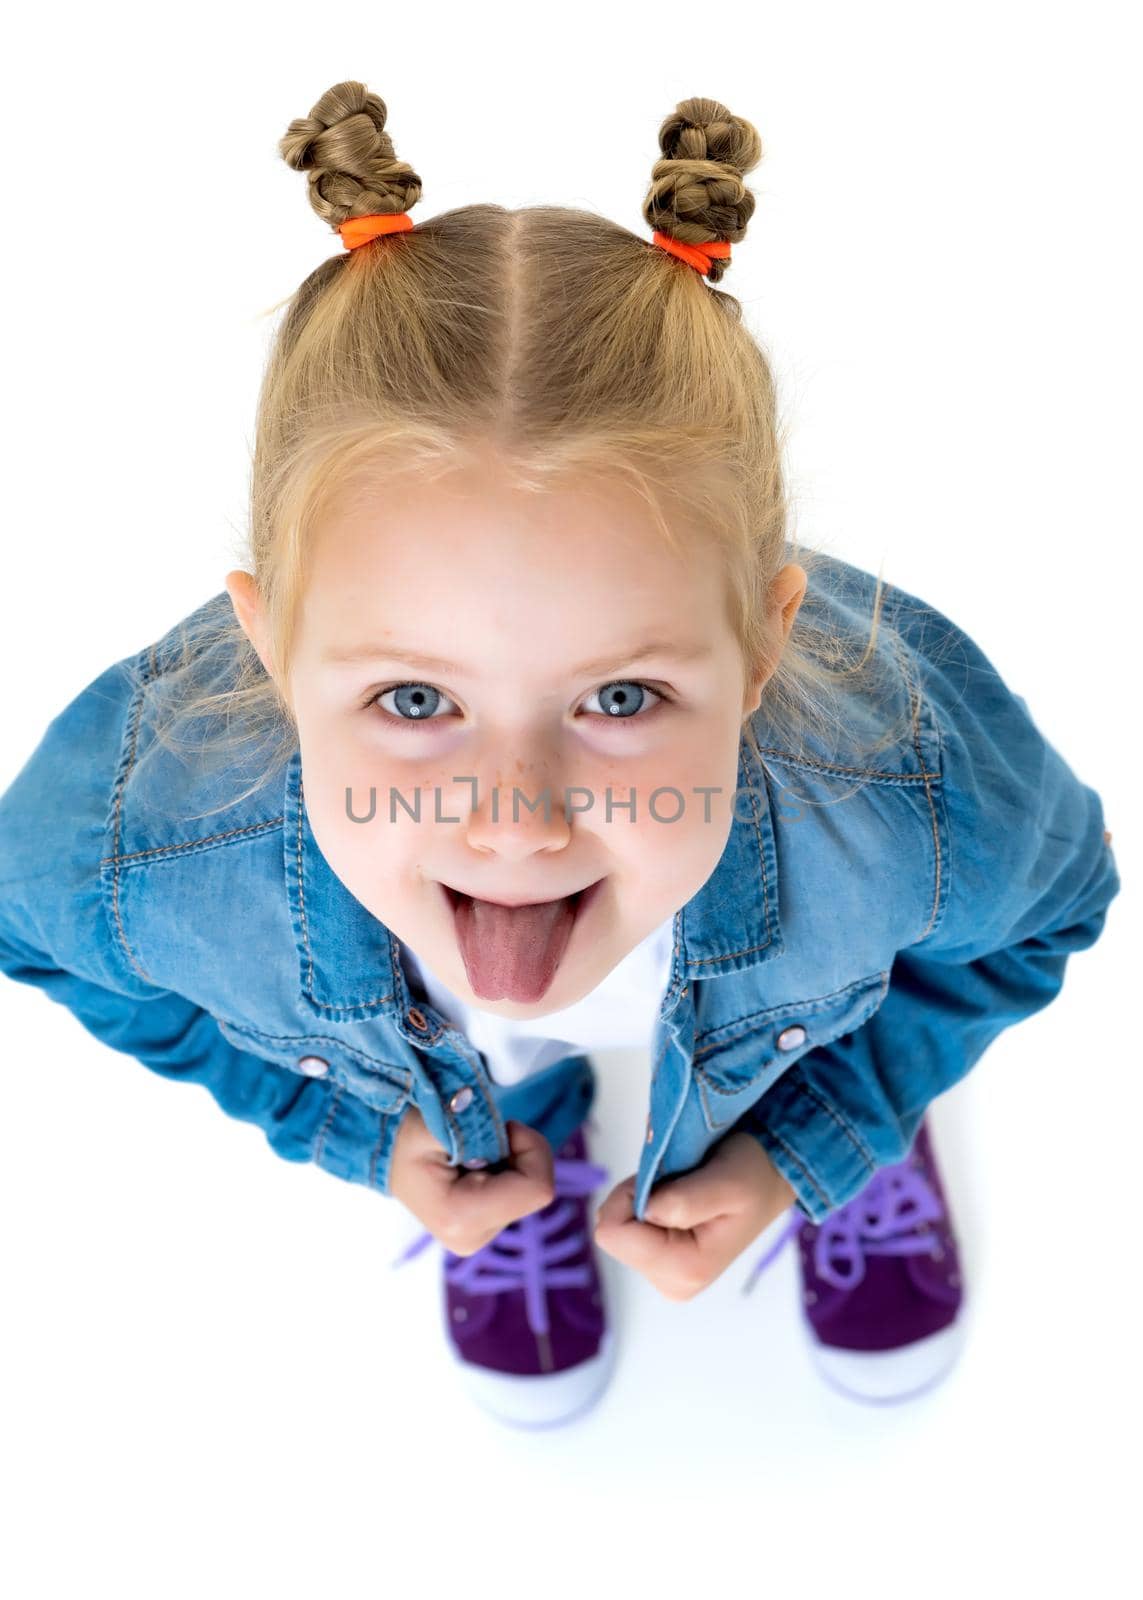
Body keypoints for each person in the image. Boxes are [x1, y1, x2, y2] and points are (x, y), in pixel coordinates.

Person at [0, 81, 1120, 1431]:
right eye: (414, 701)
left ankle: (812, 1081)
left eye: (624, 695)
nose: (517, 821)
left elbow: (1044, 914)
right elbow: (39, 935)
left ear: (766, 646)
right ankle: (510, 1098)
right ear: (273, 656)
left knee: (837, 1038)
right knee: (510, 1037)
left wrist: (812, 1141)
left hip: (806, 1019)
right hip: (441, 1090)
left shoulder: (905, 807)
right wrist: (361, 1135)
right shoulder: (150, 842)